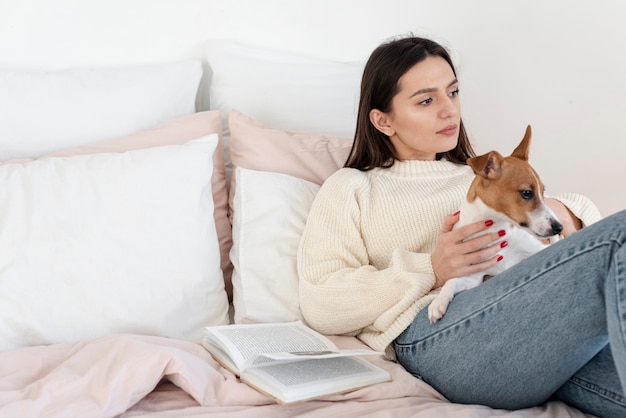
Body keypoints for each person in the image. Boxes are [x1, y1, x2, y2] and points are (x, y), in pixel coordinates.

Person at [297, 34, 626, 417]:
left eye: (453, 93)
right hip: (439, 335)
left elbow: (586, 235)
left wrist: (558, 215)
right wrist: (432, 269)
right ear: (383, 120)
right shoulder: (353, 187)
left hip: (532, 324)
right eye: (426, 100)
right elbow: (321, 302)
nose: (449, 110)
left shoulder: (488, 176)